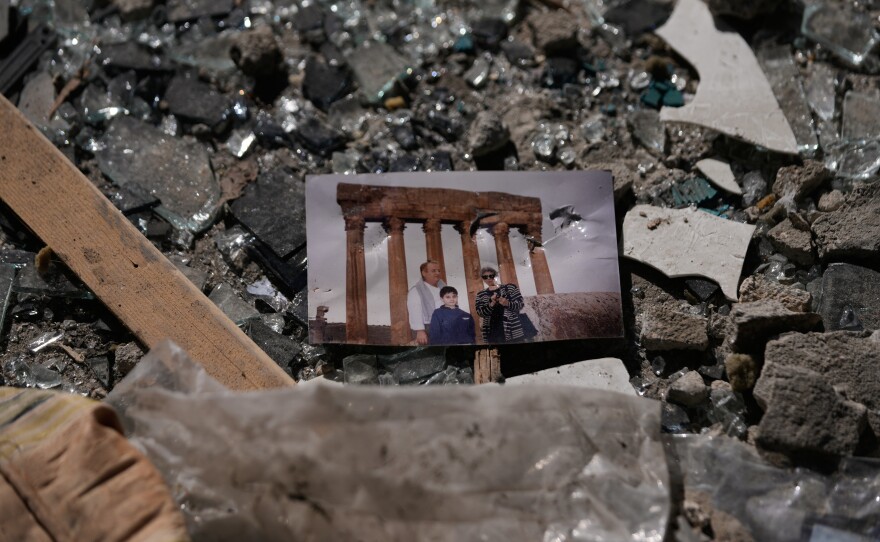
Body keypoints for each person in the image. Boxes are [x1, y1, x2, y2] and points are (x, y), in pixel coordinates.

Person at [475, 266, 525, 343]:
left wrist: (507, 303)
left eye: (491, 276)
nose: (488, 278)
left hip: (512, 328)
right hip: (492, 330)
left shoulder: (509, 288)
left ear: (495, 276)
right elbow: (480, 313)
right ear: (483, 279)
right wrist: (491, 304)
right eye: (485, 277)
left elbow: (520, 304)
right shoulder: (480, 295)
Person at [406, 260, 446, 344]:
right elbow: (414, 311)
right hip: (427, 327)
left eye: (439, 270)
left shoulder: (445, 288)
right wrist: (420, 331)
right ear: (424, 273)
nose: (437, 273)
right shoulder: (416, 290)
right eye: (433, 271)